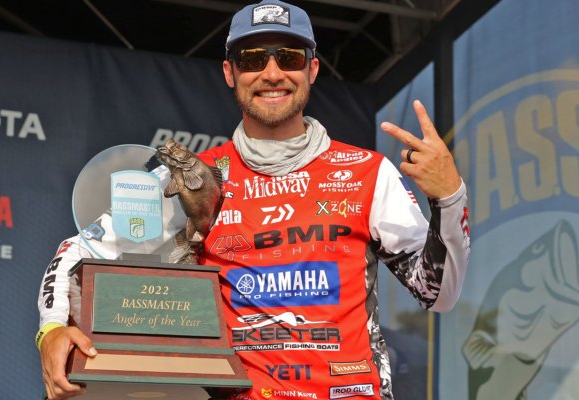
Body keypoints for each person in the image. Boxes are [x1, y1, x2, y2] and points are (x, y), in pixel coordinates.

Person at [36, 0, 470, 399]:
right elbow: (77, 250)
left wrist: (449, 196)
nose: (273, 73)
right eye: (252, 58)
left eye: (289, 57)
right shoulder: (194, 175)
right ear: (230, 73)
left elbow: (441, 294)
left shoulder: (368, 172)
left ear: (312, 69)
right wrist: (51, 329)